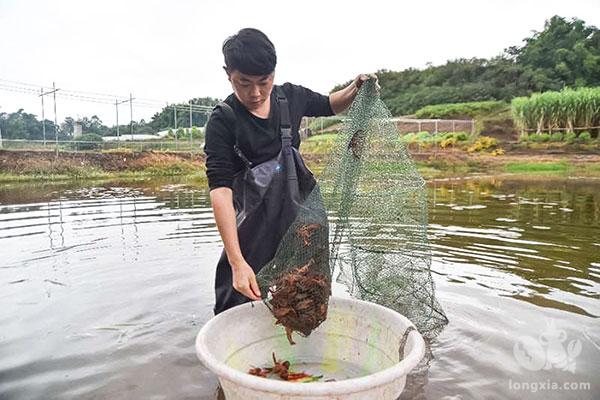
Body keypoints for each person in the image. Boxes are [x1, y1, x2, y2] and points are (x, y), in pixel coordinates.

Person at [204, 27, 377, 314]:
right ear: (228, 74)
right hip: (254, 228)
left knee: (304, 298)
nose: (256, 92)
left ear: (274, 72)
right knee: (236, 300)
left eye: (264, 81)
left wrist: (355, 87)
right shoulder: (224, 120)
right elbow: (220, 190)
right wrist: (237, 261)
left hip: (302, 221)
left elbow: (330, 104)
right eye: (243, 83)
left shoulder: (291, 98)